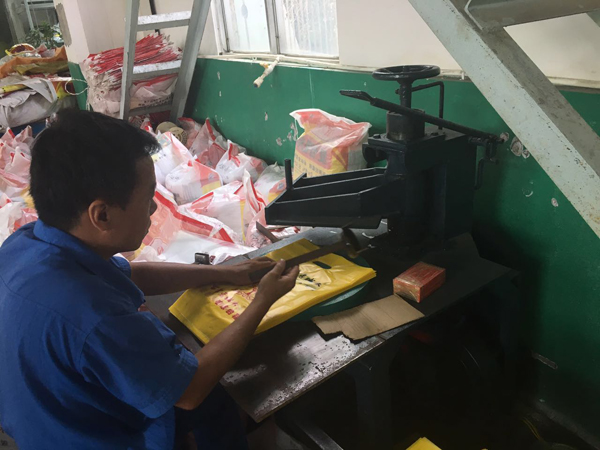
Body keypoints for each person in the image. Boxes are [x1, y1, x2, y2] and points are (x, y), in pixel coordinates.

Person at [0, 109, 299, 450]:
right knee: (210, 390)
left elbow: (132, 274)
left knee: (215, 404)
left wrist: (226, 272)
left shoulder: (27, 242)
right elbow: (189, 391)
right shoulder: (96, 317)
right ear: (102, 215)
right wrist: (262, 300)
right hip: (86, 438)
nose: (154, 210)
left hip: (42, 413)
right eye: (147, 199)